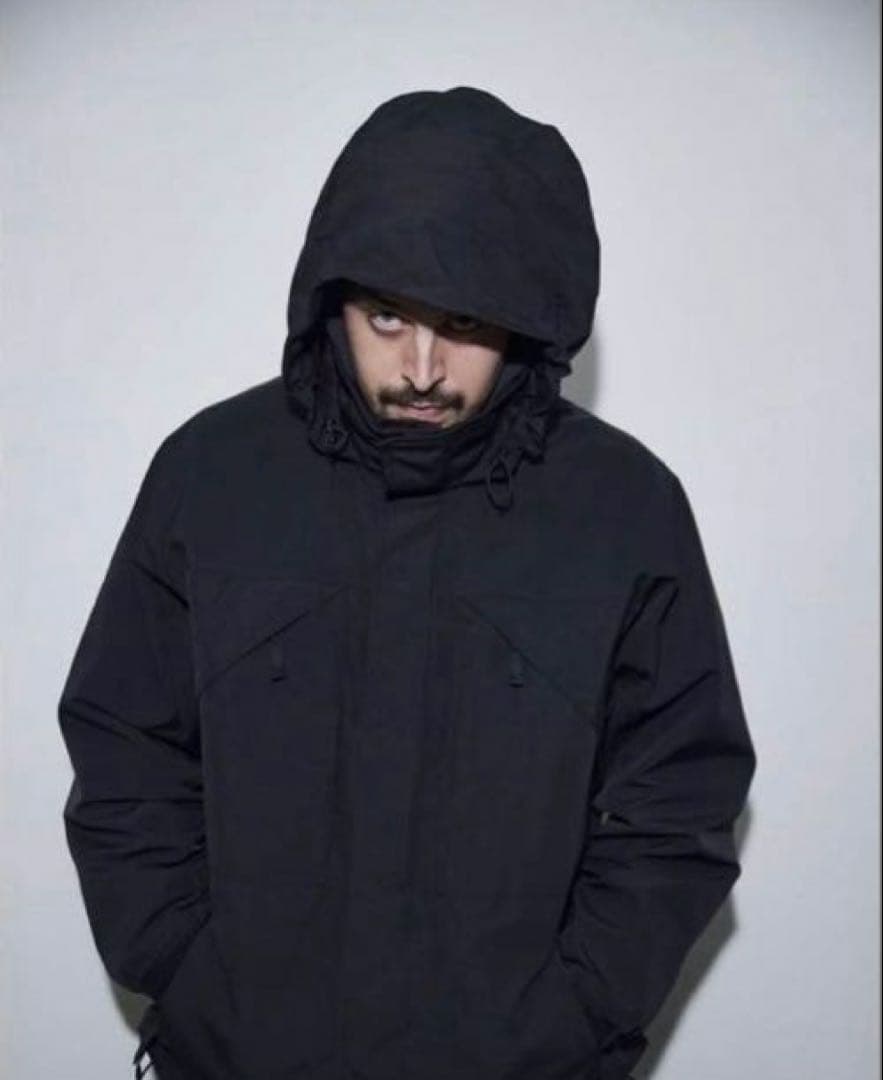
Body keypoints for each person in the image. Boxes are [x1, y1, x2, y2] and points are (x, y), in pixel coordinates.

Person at [57, 85, 757, 1080]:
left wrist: (579, 1007)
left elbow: (681, 789)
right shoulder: (211, 478)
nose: (422, 367)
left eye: (464, 322)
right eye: (386, 315)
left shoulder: (622, 509)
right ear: (330, 301)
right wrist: (182, 964)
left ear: (529, 315)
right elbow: (125, 744)